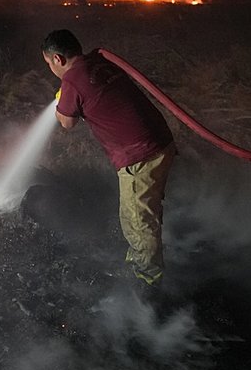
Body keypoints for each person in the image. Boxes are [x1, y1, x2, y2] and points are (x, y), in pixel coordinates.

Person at [41, 29, 176, 287]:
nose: (51, 68)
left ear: (57, 59)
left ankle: (149, 280)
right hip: (159, 141)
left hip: (139, 154)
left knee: (138, 220)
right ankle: (139, 259)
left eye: (48, 63)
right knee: (134, 212)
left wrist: (61, 101)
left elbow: (67, 122)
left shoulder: (72, 80)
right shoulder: (98, 60)